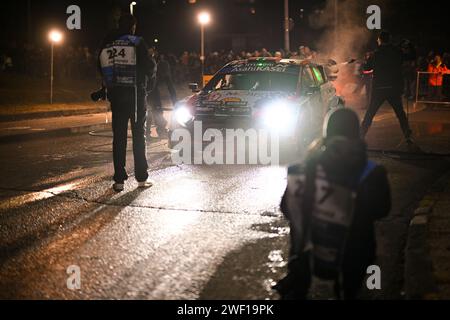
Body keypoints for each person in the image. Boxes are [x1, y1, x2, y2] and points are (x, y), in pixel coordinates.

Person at [275, 108, 391, 299]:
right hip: (355, 254)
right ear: (356, 134)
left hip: (308, 251)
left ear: (326, 133)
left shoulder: (304, 169)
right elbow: (382, 210)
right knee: (355, 290)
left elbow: (287, 208)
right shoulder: (372, 173)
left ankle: (297, 285)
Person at [98, 13, 157, 192]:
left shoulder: (108, 42)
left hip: (117, 96)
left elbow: (100, 64)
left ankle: (119, 181)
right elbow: (150, 67)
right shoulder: (137, 42)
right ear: (133, 26)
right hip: (136, 95)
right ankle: (141, 178)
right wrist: (150, 82)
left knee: (119, 138)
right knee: (139, 137)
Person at [360, 31, 414, 146]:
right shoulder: (397, 52)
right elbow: (411, 56)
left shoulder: (375, 54)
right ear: (389, 40)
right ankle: (407, 135)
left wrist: (367, 60)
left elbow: (366, 68)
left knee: (370, 113)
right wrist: (409, 45)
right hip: (393, 88)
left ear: (379, 40)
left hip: (379, 88)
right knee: (400, 113)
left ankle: (361, 135)